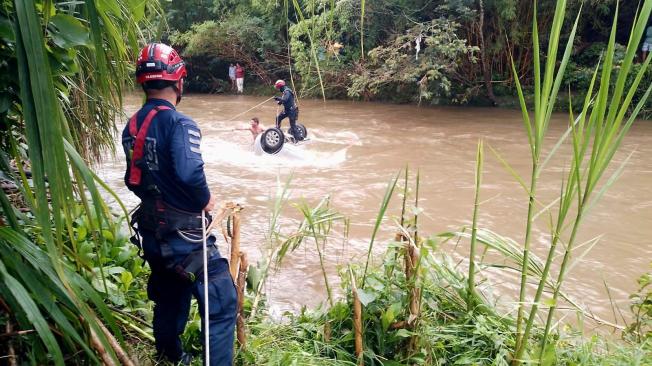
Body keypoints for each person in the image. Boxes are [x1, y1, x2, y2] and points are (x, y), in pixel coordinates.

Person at [122, 43, 236, 366]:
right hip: (186, 238)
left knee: (170, 295)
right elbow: (189, 172)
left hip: (152, 235)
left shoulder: (130, 127)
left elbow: (133, 179)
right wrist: (207, 199)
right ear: (178, 82)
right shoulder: (181, 124)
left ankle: (168, 357)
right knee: (222, 300)